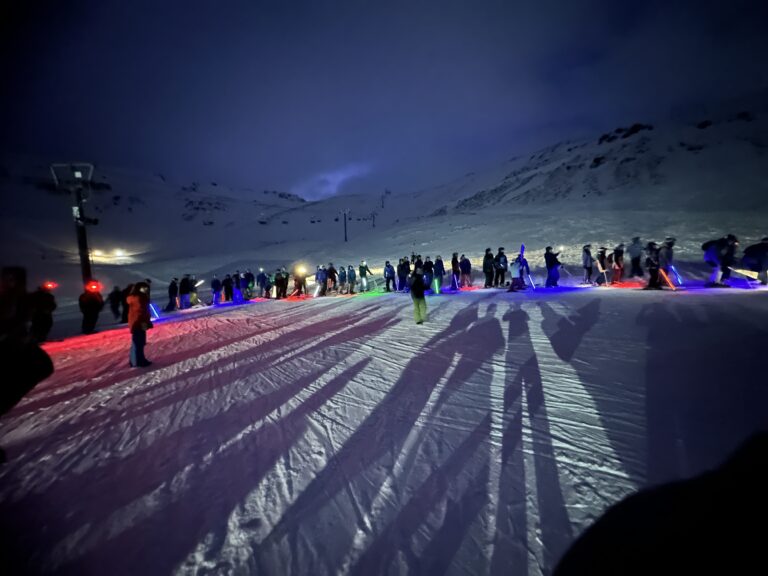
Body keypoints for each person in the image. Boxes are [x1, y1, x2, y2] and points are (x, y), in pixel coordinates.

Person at [0, 267, 54, 461]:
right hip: (10, 347)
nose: (13, 284)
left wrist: (44, 296)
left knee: (42, 365)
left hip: (16, 346)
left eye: (17, 280)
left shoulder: (21, 299)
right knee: (40, 365)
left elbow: (45, 305)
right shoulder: (7, 300)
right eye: (9, 280)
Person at [127, 281, 152, 367]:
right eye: (143, 288)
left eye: (146, 288)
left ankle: (138, 360)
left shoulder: (138, 297)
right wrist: (145, 322)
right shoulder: (139, 298)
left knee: (138, 343)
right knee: (138, 343)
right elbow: (141, 312)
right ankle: (137, 361)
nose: (146, 289)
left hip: (137, 322)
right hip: (138, 323)